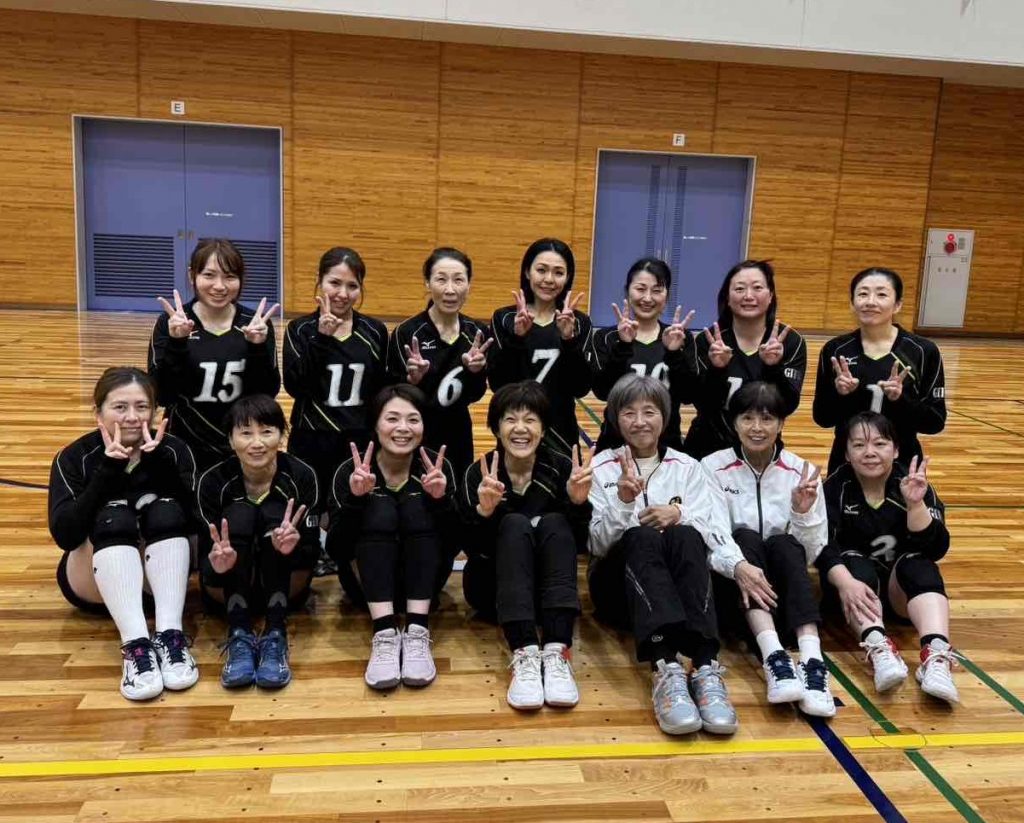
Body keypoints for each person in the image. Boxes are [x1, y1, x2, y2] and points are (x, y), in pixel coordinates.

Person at [588, 374, 742, 736]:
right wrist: (623, 503)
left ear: (665, 417)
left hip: (681, 596)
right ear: (615, 419)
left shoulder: (688, 467)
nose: (640, 421)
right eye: (629, 413)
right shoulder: (600, 467)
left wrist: (679, 514)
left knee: (685, 533)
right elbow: (596, 545)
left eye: (649, 412)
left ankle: (705, 666)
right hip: (619, 592)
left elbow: (714, 530)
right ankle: (665, 667)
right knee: (642, 536)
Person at [48, 367, 198, 701]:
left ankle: (171, 636)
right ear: (98, 411)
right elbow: (66, 535)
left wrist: (161, 467)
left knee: (166, 510)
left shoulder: (173, 450)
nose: (132, 417)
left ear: (155, 410)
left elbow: (196, 523)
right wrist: (107, 472)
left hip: (159, 585)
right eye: (120, 407)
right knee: (114, 516)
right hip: (94, 582)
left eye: (142, 407)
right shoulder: (74, 457)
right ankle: (135, 647)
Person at [701, 382, 835, 717]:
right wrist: (739, 567)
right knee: (744, 538)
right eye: (747, 418)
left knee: (784, 542)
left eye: (767, 419)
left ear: (782, 423)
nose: (757, 428)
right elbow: (713, 533)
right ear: (734, 423)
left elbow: (812, 549)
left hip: (786, 591)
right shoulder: (712, 467)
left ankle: (813, 661)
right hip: (734, 588)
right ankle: (774, 657)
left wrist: (801, 513)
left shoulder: (801, 471)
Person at [460, 382, 592, 710]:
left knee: (556, 522)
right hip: (493, 590)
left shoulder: (562, 468)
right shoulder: (479, 474)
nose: (520, 428)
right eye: (510, 419)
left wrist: (578, 504)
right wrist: (484, 513)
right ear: (496, 428)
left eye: (530, 419)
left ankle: (558, 650)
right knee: (515, 524)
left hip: (547, 594)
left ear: (543, 429)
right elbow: (471, 548)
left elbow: (575, 545)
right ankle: (525, 653)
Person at [817, 411, 958, 703]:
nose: (869, 452)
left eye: (880, 444)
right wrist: (845, 582)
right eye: (859, 445)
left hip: (901, 595)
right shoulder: (835, 487)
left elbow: (937, 549)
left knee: (918, 563)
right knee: (853, 561)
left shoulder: (912, 483)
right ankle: (878, 647)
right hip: (852, 593)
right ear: (846, 453)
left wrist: (915, 506)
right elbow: (821, 546)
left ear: (895, 450)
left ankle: (936, 655)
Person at [328, 385, 457, 691]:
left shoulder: (437, 469)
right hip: (366, 588)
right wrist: (356, 501)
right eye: (392, 419)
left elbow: (453, 545)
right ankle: (384, 633)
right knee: (380, 508)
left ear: (424, 426)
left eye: (413, 419)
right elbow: (336, 549)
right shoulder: (351, 470)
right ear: (375, 424)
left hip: (425, 589)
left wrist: (440, 502)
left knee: (416, 506)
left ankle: (417, 632)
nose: (403, 428)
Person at [198, 395, 319, 690]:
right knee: (239, 515)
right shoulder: (213, 482)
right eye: (245, 433)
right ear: (230, 439)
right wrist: (219, 563)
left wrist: (292, 546)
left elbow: (313, 552)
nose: (257, 443)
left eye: (266, 432)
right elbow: (205, 559)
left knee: (276, 517)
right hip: (225, 585)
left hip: (286, 584)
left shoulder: (302, 475)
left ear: (281, 435)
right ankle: (238, 632)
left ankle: (276, 633)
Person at [283, 247, 389, 580]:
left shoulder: (374, 331)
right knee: (310, 501)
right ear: (319, 282)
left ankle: (344, 554)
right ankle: (312, 551)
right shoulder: (300, 329)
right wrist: (322, 339)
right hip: (311, 435)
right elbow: (296, 386)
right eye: (334, 283)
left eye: (352, 286)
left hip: (357, 437)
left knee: (350, 500)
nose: (342, 293)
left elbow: (380, 389)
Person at [149, 238, 281, 471]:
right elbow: (162, 395)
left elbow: (267, 393)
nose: (219, 286)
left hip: (240, 443)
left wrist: (257, 348)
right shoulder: (171, 322)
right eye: (209, 275)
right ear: (192, 275)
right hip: (185, 440)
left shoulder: (255, 324)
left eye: (230, 276)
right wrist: (177, 343)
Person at [813, 267, 946, 474]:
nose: (870, 302)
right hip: (847, 463)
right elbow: (822, 418)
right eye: (863, 294)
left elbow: (935, 422)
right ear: (852, 303)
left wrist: (901, 399)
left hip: (902, 465)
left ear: (898, 304)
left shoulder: (922, 351)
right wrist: (841, 395)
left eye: (881, 294)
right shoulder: (836, 350)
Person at [683, 260, 806, 460]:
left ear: (770, 296)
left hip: (761, 450)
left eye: (757, 288)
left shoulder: (790, 341)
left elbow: (788, 405)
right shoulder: (709, 341)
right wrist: (717, 370)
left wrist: (773, 368)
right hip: (707, 450)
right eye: (739, 289)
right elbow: (703, 406)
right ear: (727, 298)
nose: (748, 296)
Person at [387, 247, 491, 478]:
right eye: (441, 279)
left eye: (458, 280)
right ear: (427, 283)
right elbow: (391, 395)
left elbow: (476, 394)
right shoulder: (407, 332)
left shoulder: (477, 333)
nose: (450, 290)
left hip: (459, 432)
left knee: (457, 490)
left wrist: (474, 372)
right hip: (414, 432)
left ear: (469, 285)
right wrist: (412, 381)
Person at [488, 238, 592, 457]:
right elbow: (498, 383)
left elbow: (580, 387)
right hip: (517, 428)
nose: (549, 279)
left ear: (568, 277)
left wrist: (568, 339)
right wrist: (517, 338)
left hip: (562, 431)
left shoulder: (579, 322)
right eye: (541, 270)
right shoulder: (505, 318)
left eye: (558, 272)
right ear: (527, 272)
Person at [587, 257, 696, 452]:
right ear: (628, 291)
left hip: (666, 447)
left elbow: (688, 395)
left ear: (667, 296)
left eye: (657, 290)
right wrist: (623, 346)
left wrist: (674, 354)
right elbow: (602, 392)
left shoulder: (680, 337)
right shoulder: (607, 337)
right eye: (640, 289)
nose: (647, 298)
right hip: (615, 446)